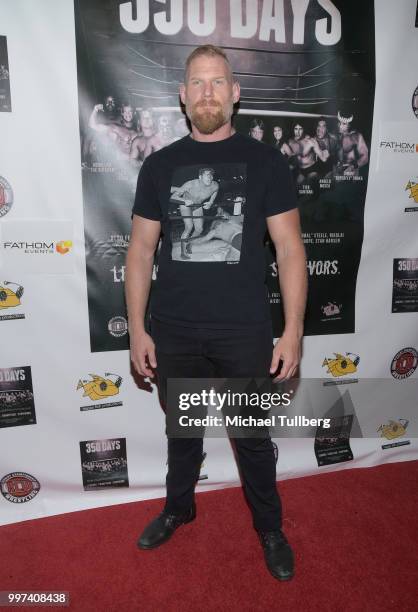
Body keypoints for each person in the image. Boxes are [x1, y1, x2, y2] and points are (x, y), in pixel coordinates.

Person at [125, 44, 307, 582]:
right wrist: (137, 329)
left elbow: (292, 248)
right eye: (197, 83)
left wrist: (293, 330)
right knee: (183, 432)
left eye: (217, 82)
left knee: (251, 435)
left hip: (244, 329)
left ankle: (269, 526)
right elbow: (139, 252)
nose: (207, 92)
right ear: (183, 97)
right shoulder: (160, 165)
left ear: (235, 94)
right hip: (174, 329)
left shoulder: (266, 162)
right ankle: (179, 507)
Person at [170, 167, 219, 260]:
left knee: (199, 229)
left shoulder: (215, 185)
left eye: (211, 175)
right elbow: (173, 196)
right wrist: (184, 201)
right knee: (189, 227)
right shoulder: (190, 184)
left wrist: (210, 202)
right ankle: (183, 252)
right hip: (185, 206)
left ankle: (189, 244)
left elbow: (215, 192)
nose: (210, 177)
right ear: (200, 177)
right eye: (207, 175)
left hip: (197, 206)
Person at [335, 111, 369, 176]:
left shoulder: (356, 136)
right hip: (338, 172)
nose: (340, 126)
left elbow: (365, 158)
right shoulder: (336, 135)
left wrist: (352, 167)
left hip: (351, 172)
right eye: (339, 122)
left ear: (349, 125)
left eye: (344, 124)